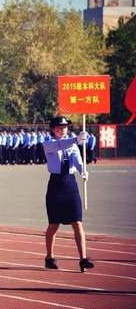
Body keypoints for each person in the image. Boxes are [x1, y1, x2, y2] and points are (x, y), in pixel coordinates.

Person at [43, 116, 94, 273]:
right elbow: (59, 145)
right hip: (56, 185)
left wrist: (83, 171)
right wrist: (75, 140)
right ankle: (49, 257)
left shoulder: (71, 144)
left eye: (64, 127)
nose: (62, 129)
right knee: (54, 225)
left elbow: (77, 160)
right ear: (52, 129)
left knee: (77, 222)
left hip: (70, 184)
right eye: (59, 127)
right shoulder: (48, 144)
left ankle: (83, 259)